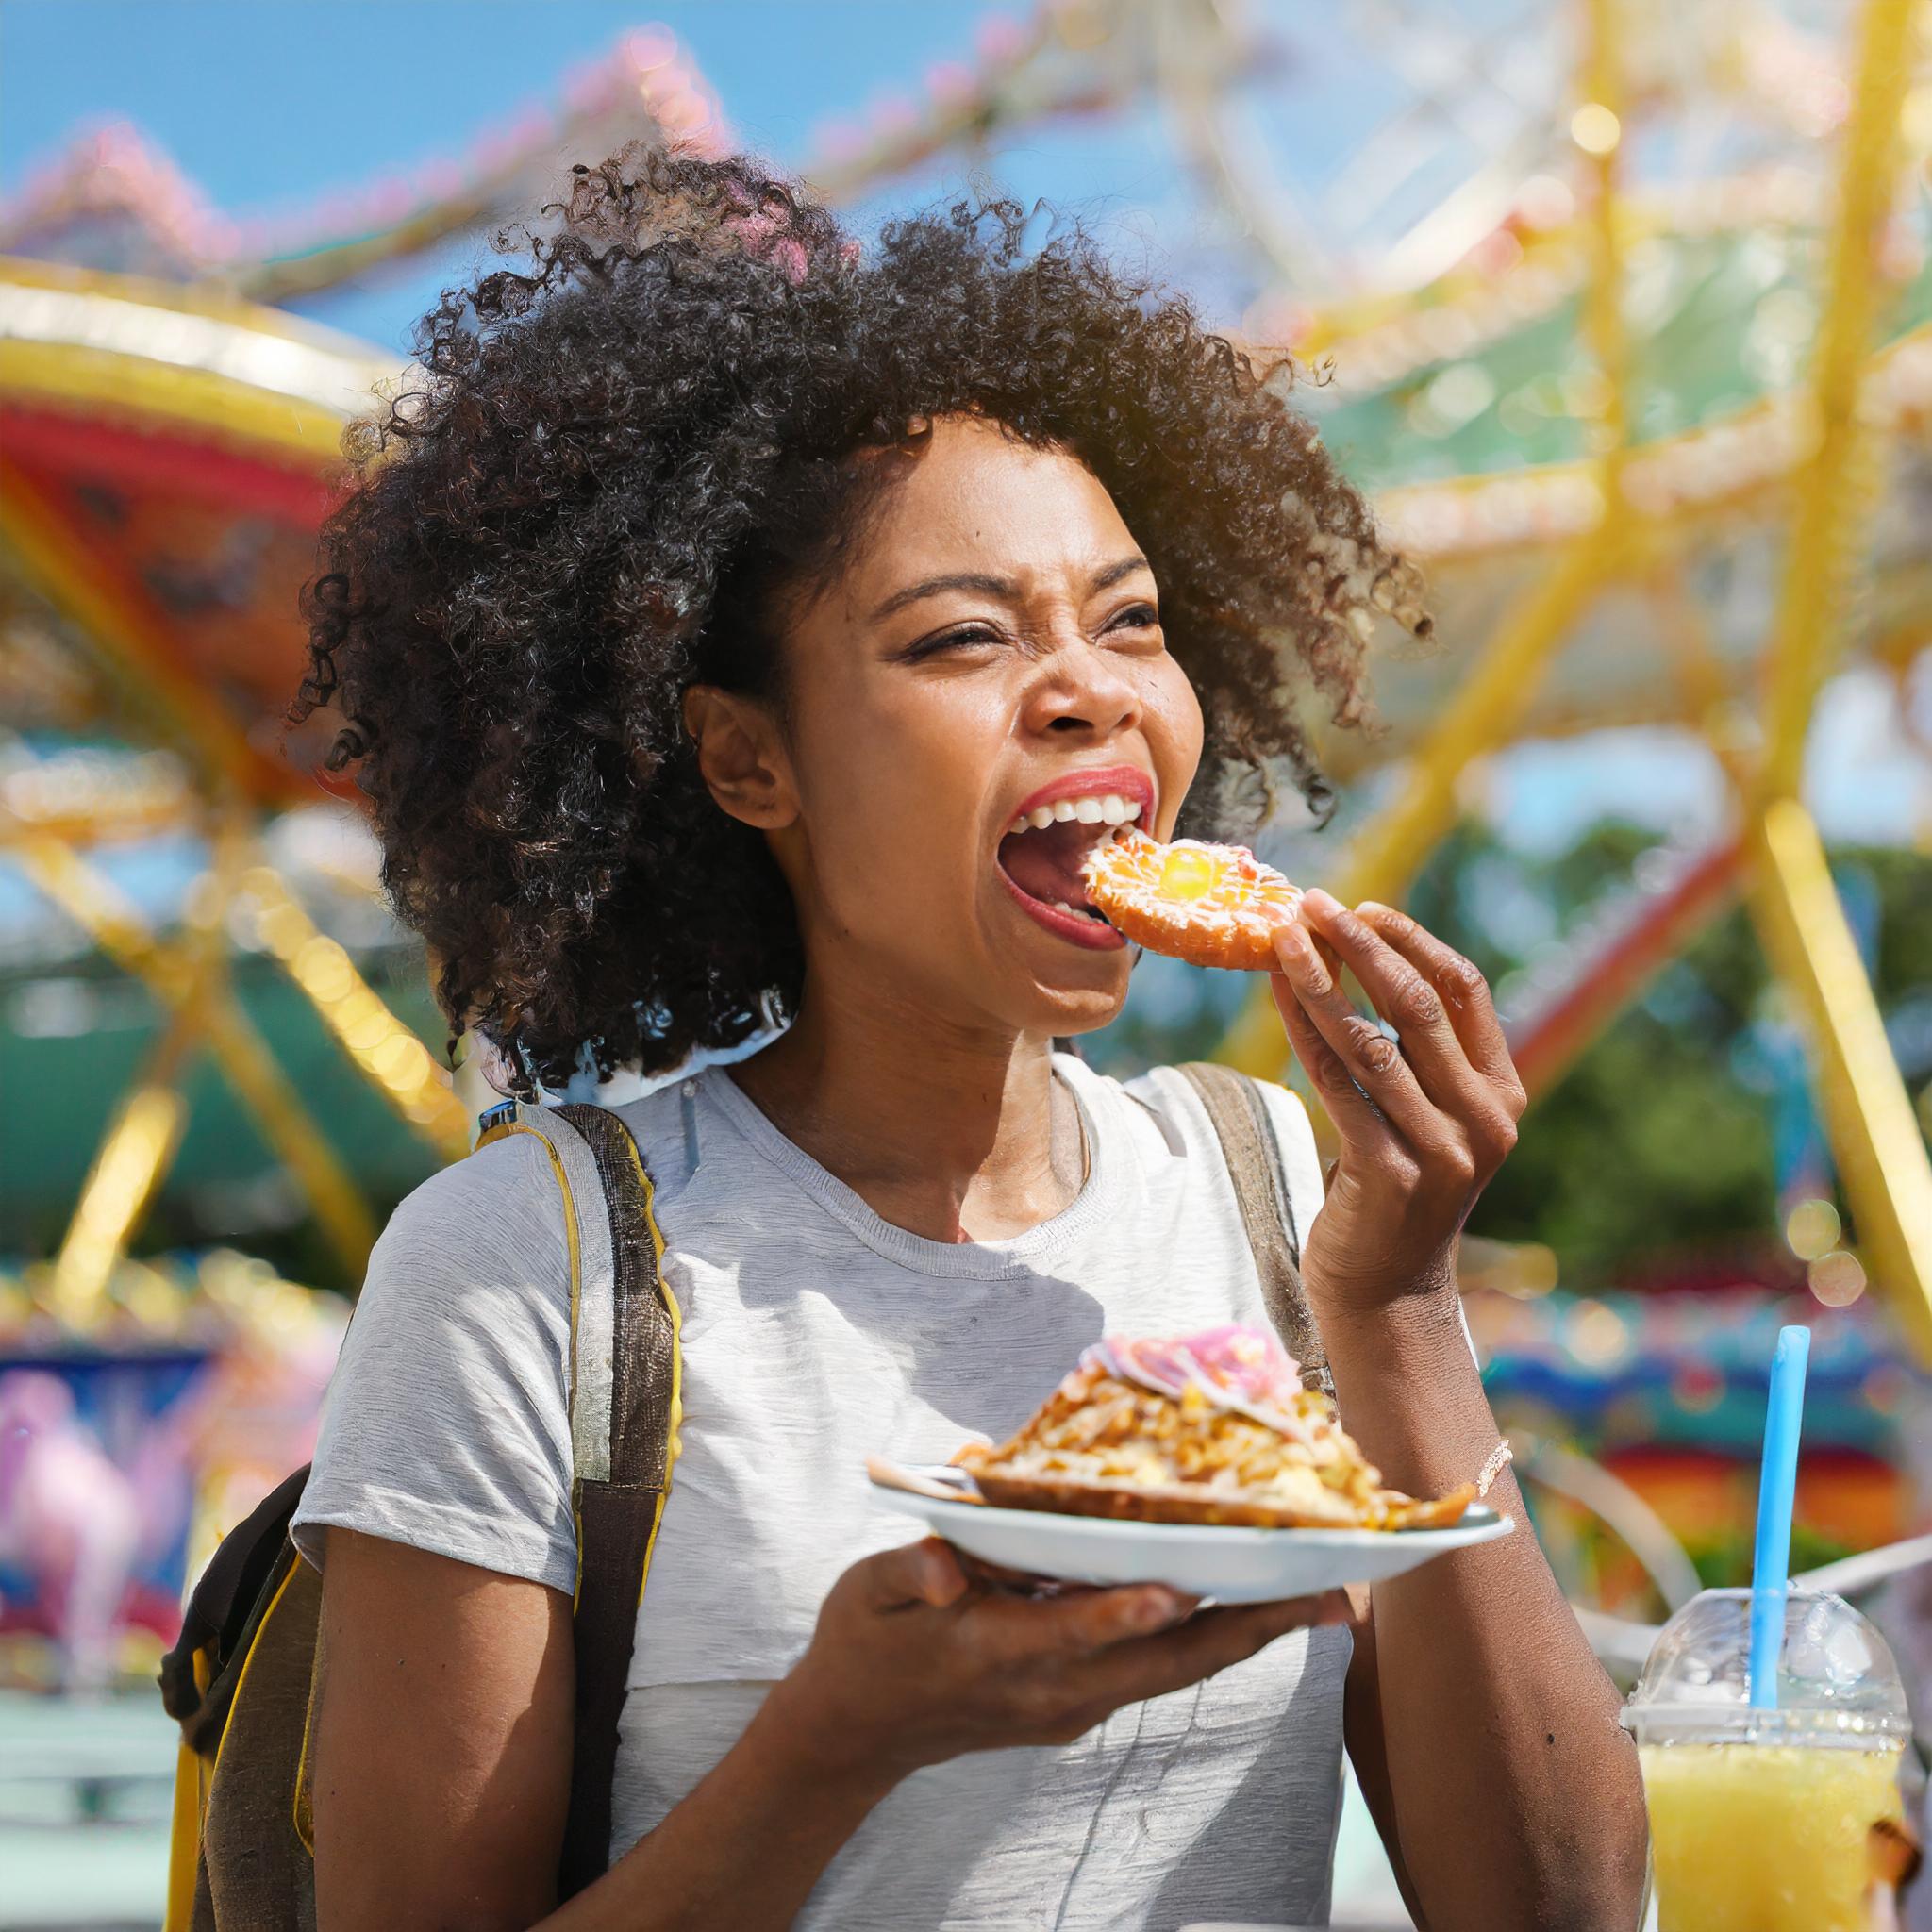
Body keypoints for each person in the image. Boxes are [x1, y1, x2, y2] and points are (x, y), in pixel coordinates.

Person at [285, 145, 1647, 1930]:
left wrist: (1396, 1308)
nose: (1088, 686)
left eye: (1131, 621)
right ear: (744, 760)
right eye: (962, 637)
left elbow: (1559, 1907)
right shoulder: (517, 1272)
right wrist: (835, 1745)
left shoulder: (1276, 1203)